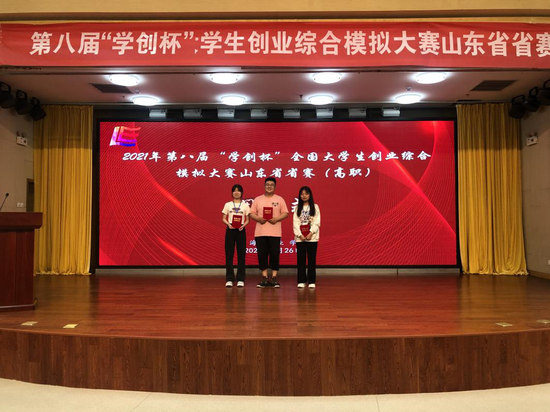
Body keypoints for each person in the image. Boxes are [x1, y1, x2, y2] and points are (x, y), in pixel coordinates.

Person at [250, 177, 289, 288]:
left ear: (275, 187)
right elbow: (251, 213)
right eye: (267, 184)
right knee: (262, 255)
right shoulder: (257, 199)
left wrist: (276, 219)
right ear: (264, 186)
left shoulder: (280, 199)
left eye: (272, 185)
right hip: (260, 232)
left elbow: (285, 213)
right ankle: (264, 278)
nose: (269, 186)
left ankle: (274, 278)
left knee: (275, 255)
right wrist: (259, 219)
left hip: (275, 233)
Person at [222, 184, 250, 287]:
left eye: (238, 191)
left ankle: (240, 279)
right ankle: (229, 278)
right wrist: (228, 224)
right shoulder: (228, 204)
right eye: (234, 191)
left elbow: (248, 219)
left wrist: (243, 225)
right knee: (229, 255)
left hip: (241, 230)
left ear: (242, 193)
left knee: (241, 255)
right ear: (232, 193)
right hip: (230, 230)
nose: (236, 192)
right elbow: (223, 218)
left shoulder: (245, 205)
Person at [293, 186, 320, 289]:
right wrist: (300, 235)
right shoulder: (297, 208)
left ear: (310, 195)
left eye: (306, 194)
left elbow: (317, 222)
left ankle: (311, 281)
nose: (304, 196)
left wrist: (310, 233)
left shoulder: (315, 207)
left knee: (311, 260)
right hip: (300, 239)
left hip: (312, 238)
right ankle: (301, 280)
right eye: (302, 194)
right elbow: (295, 223)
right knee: (301, 260)